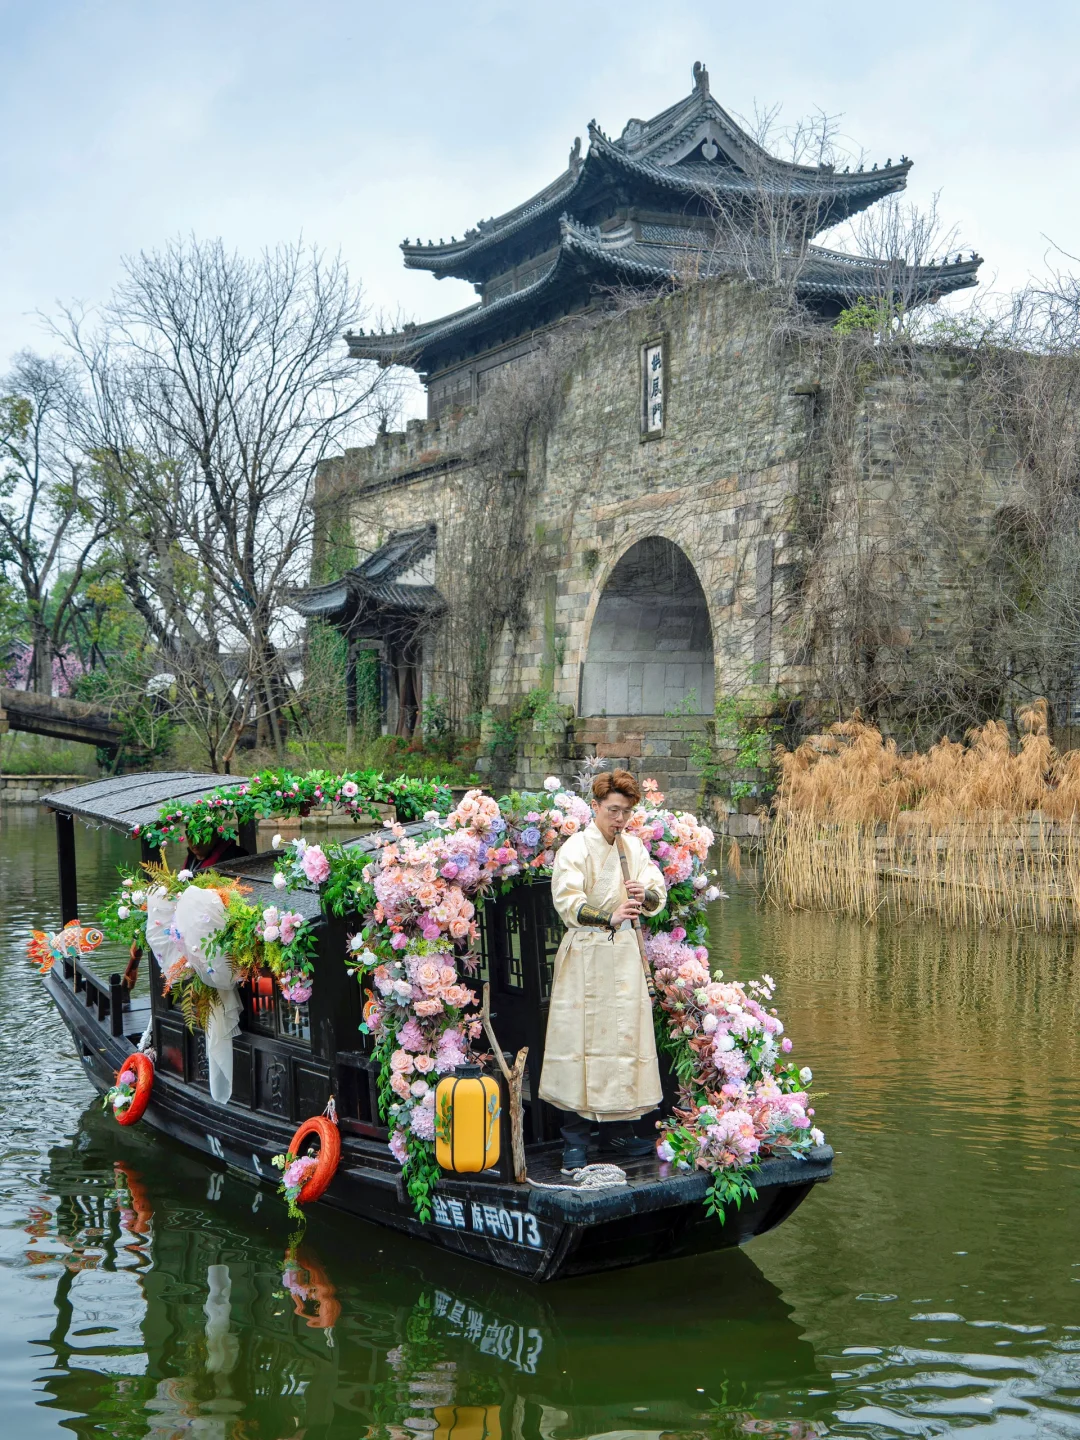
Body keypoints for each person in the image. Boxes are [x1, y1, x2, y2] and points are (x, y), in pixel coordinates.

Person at [539, 769, 666, 1172]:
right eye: (613, 810)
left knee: (625, 1040)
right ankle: (574, 1141)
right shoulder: (575, 848)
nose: (620, 819)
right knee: (578, 1041)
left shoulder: (634, 848)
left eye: (626, 811)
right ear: (595, 806)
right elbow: (567, 900)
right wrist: (607, 915)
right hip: (586, 954)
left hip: (625, 955)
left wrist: (643, 894)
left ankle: (620, 1132)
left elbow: (656, 889)